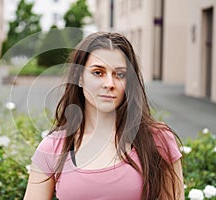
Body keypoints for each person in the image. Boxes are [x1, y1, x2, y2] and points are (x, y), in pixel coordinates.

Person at [24, 32, 184, 200]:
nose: (109, 84)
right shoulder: (53, 147)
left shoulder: (158, 139)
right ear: (79, 77)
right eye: (98, 72)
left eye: (119, 74)